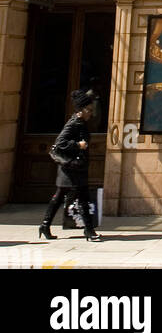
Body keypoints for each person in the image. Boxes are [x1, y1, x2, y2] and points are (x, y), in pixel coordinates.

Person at [38, 88, 100, 242]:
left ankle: (45, 225)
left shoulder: (81, 123)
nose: (91, 113)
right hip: (71, 169)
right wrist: (78, 145)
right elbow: (60, 144)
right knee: (83, 199)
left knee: (59, 197)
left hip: (75, 168)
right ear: (81, 110)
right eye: (89, 110)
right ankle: (89, 230)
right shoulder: (73, 124)